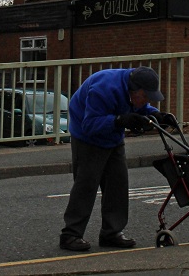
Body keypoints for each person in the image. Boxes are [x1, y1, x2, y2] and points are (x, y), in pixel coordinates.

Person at [59, 66, 175, 252]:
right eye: (145, 96)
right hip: (86, 136)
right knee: (86, 184)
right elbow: (89, 124)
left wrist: (155, 115)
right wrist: (120, 120)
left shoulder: (134, 89)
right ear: (134, 90)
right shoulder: (103, 89)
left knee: (117, 182)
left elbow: (140, 107)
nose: (147, 100)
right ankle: (70, 234)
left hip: (112, 136)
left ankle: (111, 233)